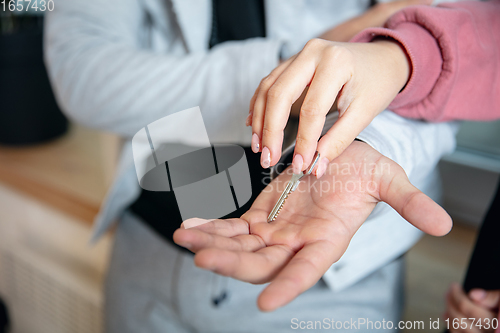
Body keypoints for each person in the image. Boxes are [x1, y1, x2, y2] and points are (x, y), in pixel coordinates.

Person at [45, 0, 456, 332]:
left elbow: (438, 62)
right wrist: (286, 68)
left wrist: (367, 142)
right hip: (147, 249)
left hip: (328, 270)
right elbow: (84, 71)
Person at [240, 0, 500, 331]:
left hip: (353, 267)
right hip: (171, 218)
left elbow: (472, 59)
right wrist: (396, 52)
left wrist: (395, 58)